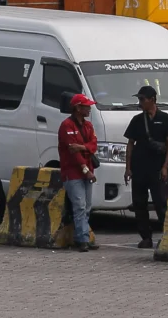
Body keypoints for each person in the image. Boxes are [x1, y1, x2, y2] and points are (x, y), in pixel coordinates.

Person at [123, 85, 168, 248]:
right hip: (139, 168)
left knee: (161, 204)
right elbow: (130, 144)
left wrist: (165, 166)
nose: (140, 103)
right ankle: (146, 237)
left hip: (157, 168)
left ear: (152, 100)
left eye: (142, 99)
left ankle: (167, 237)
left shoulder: (165, 118)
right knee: (139, 204)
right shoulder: (137, 120)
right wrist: (128, 168)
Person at [58, 92, 99, 252]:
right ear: (78, 108)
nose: (89, 109)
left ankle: (82, 237)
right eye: (86, 106)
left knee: (87, 206)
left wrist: (82, 147)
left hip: (87, 171)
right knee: (80, 206)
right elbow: (72, 152)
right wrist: (85, 169)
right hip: (73, 172)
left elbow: (93, 145)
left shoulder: (88, 126)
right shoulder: (66, 126)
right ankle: (82, 240)